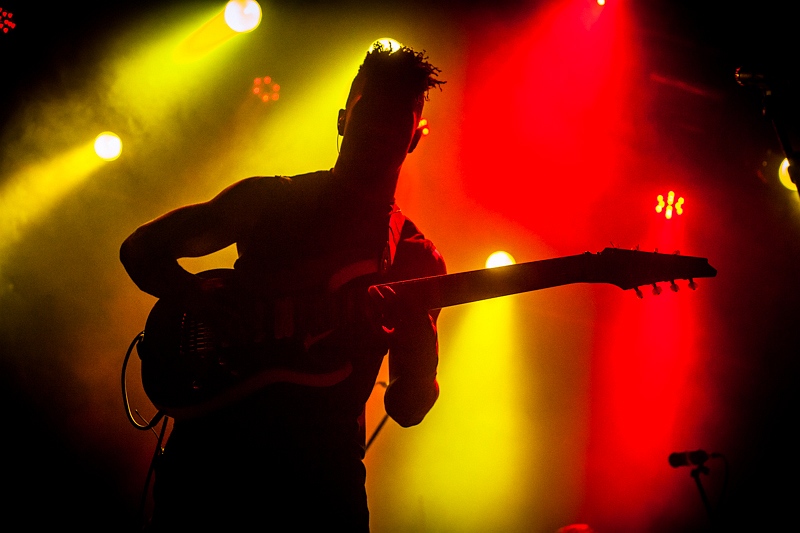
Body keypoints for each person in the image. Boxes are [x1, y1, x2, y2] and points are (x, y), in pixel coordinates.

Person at [120, 43, 446, 531]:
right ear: (341, 119)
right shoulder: (271, 200)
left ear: (414, 137)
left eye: (395, 118)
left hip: (319, 486)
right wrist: (195, 300)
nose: (378, 127)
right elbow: (141, 249)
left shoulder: (414, 258)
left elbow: (405, 406)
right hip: (210, 466)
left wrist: (421, 360)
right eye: (367, 113)